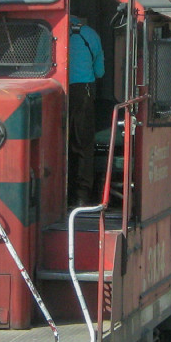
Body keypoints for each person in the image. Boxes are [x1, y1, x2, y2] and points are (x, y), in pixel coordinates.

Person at [67, 14, 105, 207]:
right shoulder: (90, 35)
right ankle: (82, 196)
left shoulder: (49, 33)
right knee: (83, 145)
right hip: (83, 92)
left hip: (54, 92)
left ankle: (59, 191)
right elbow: (100, 72)